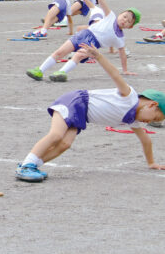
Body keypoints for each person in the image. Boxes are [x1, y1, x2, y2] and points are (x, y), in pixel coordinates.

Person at [16, 44, 165, 182]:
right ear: (152, 105)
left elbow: (146, 140)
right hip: (75, 101)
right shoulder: (129, 96)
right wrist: (98, 56)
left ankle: (31, 165)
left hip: (82, 114)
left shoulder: (134, 120)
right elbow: (115, 75)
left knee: (65, 144)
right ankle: (26, 166)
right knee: (56, 135)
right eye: (155, 118)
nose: (150, 122)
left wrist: (151, 162)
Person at [26, 0, 139, 82]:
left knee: (78, 55)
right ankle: (40, 70)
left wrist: (125, 70)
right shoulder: (110, 15)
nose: (125, 20)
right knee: (59, 52)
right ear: (120, 14)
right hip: (84, 34)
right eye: (125, 16)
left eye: (129, 21)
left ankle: (62, 72)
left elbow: (122, 53)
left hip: (93, 44)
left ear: (130, 27)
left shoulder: (120, 38)